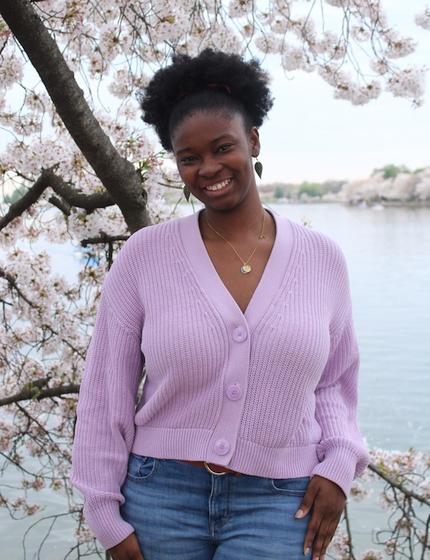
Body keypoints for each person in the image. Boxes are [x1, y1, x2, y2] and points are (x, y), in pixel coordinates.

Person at [70, 48, 370, 560]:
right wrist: (104, 514)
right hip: (159, 495)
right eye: (189, 158)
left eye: (222, 147)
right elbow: (105, 392)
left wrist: (339, 467)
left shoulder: (322, 259)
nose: (208, 168)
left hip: (280, 500)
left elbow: (334, 384)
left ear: (252, 140)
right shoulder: (145, 256)